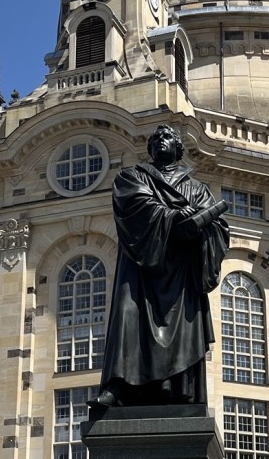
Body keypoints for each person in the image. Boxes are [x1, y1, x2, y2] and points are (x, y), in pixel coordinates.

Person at [90, 124, 229, 407]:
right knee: (128, 316)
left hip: (180, 271)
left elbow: (218, 228)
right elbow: (135, 205)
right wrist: (175, 217)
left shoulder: (197, 187)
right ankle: (117, 387)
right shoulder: (132, 176)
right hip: (141, 265)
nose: (160, 141)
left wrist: (201, 227)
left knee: (181, 331)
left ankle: (177, 389)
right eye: (155, 138)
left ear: (178, 149)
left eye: (167, 137)